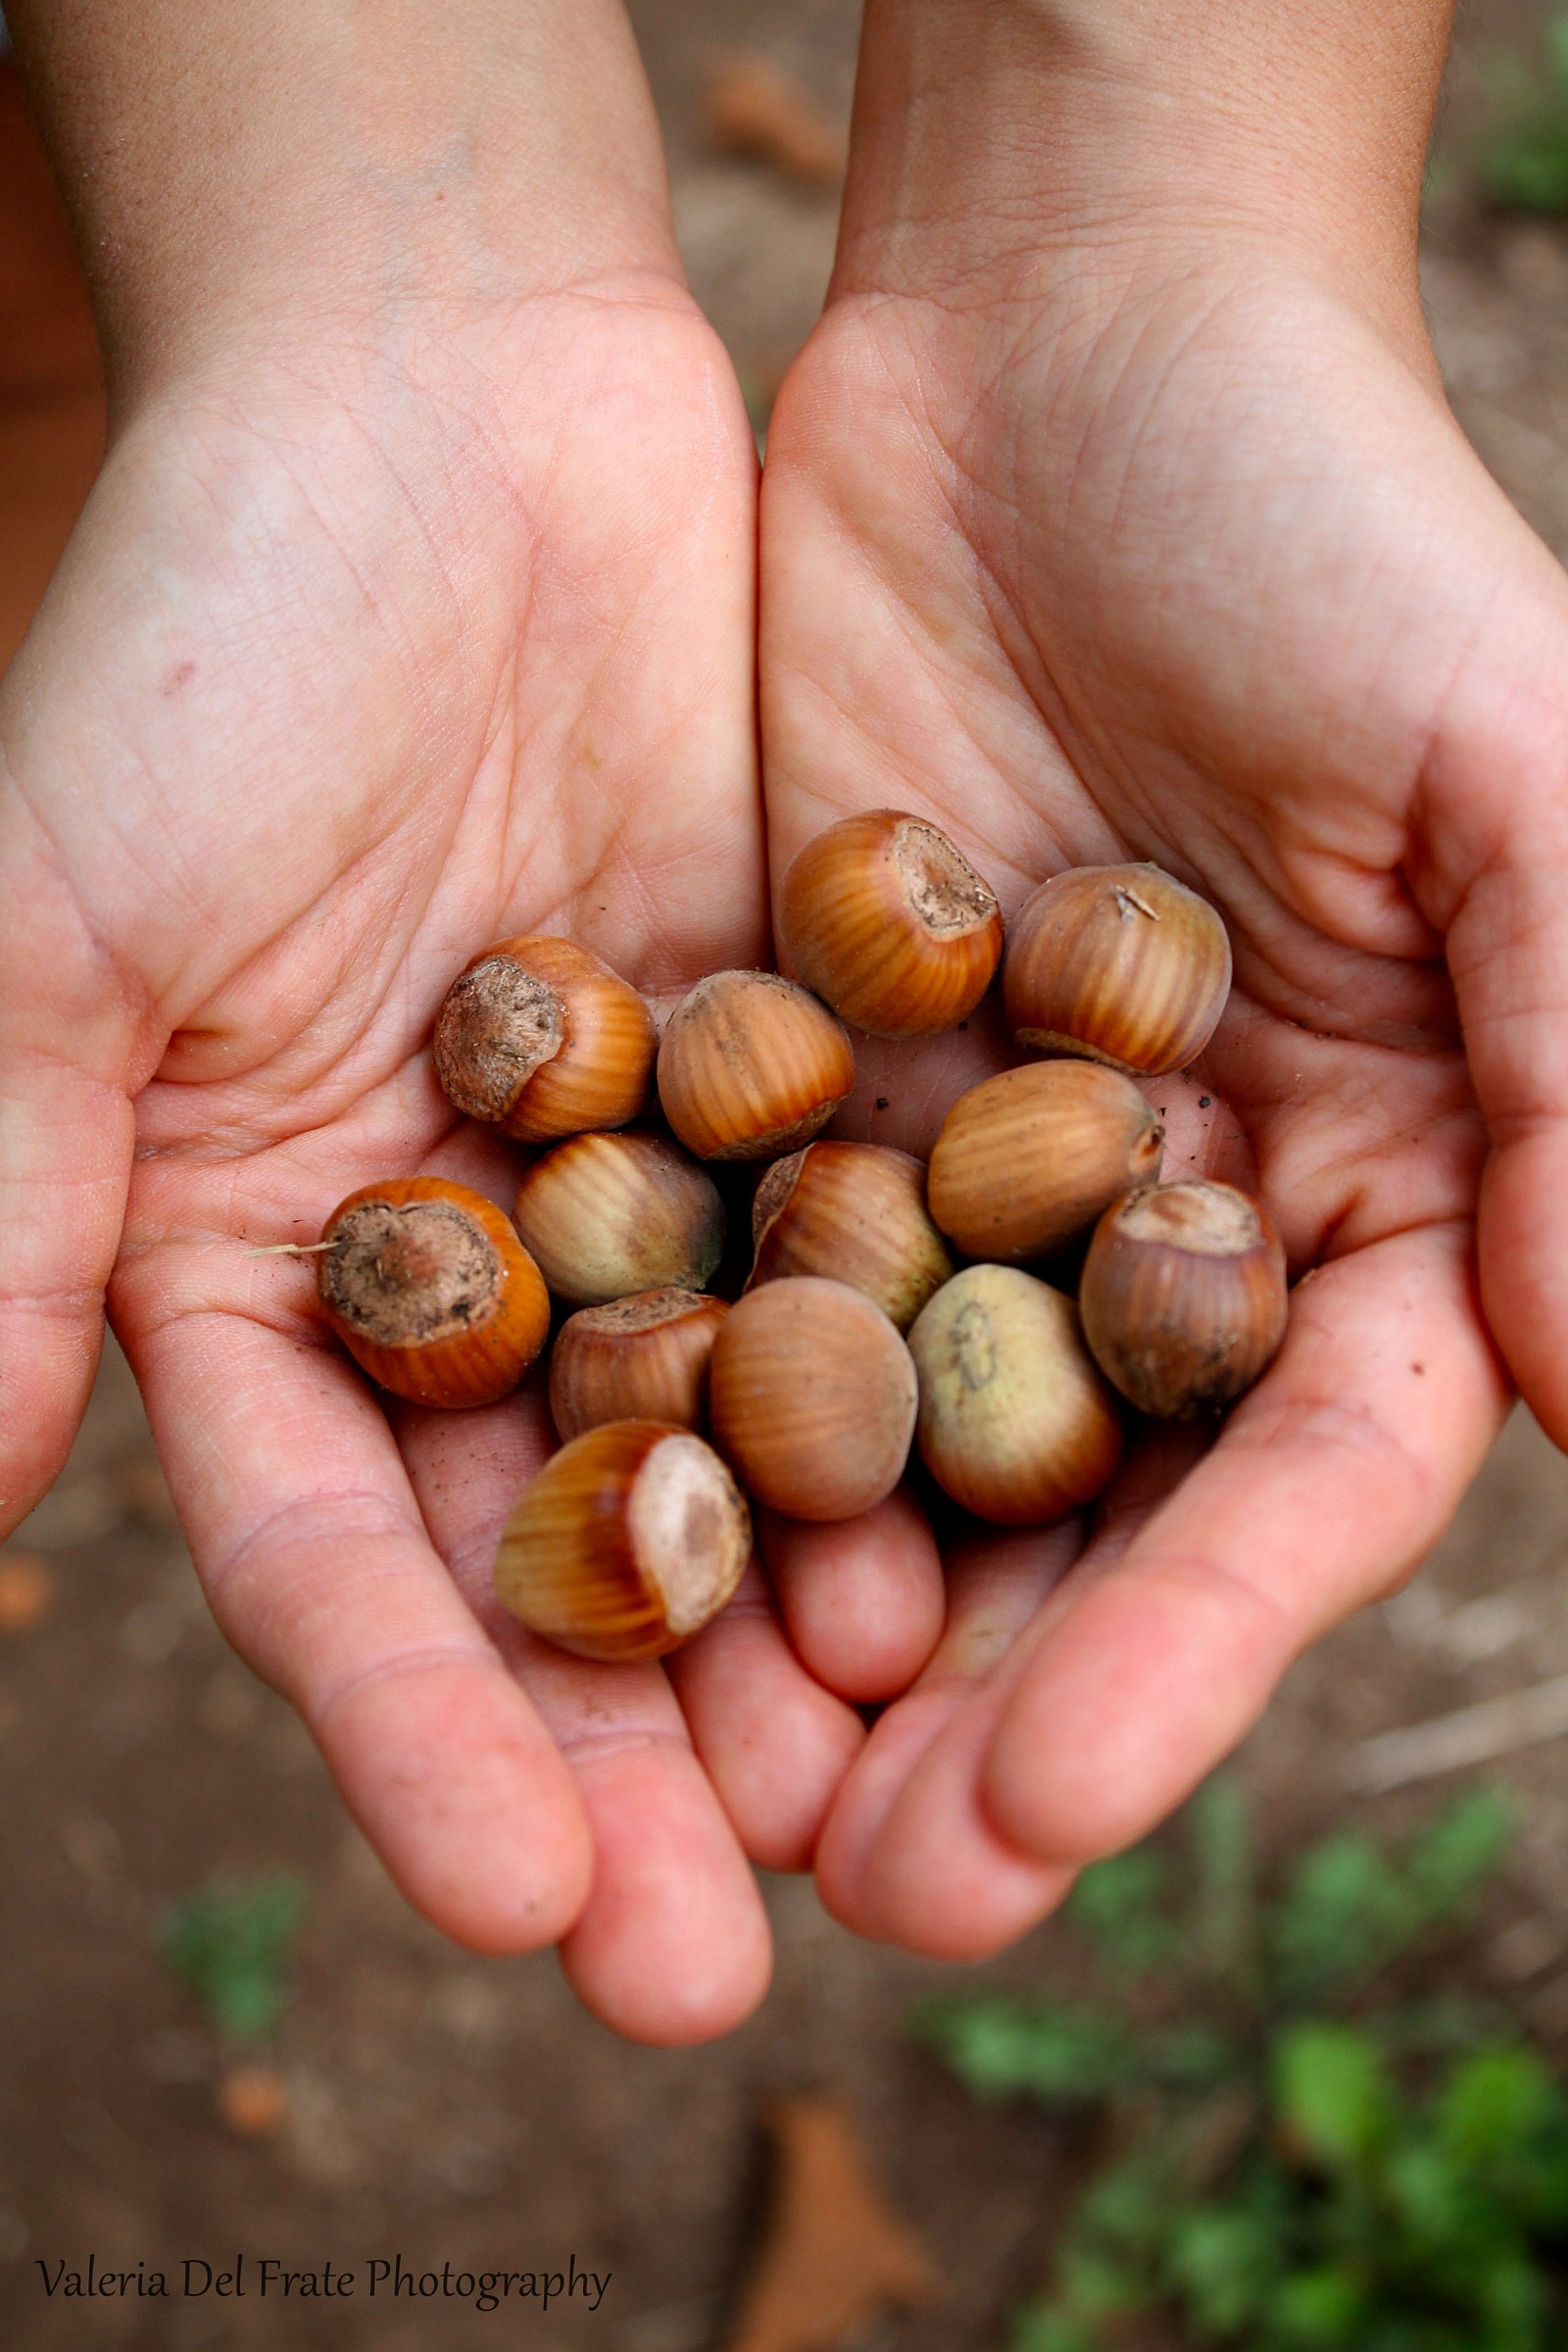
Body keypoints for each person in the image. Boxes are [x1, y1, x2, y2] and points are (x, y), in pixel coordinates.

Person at [0, 0, 1561, 2046]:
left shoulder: (879, 1178)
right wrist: (321, 296)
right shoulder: (766, 1194)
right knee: (73, 283)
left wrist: (1154, 228)